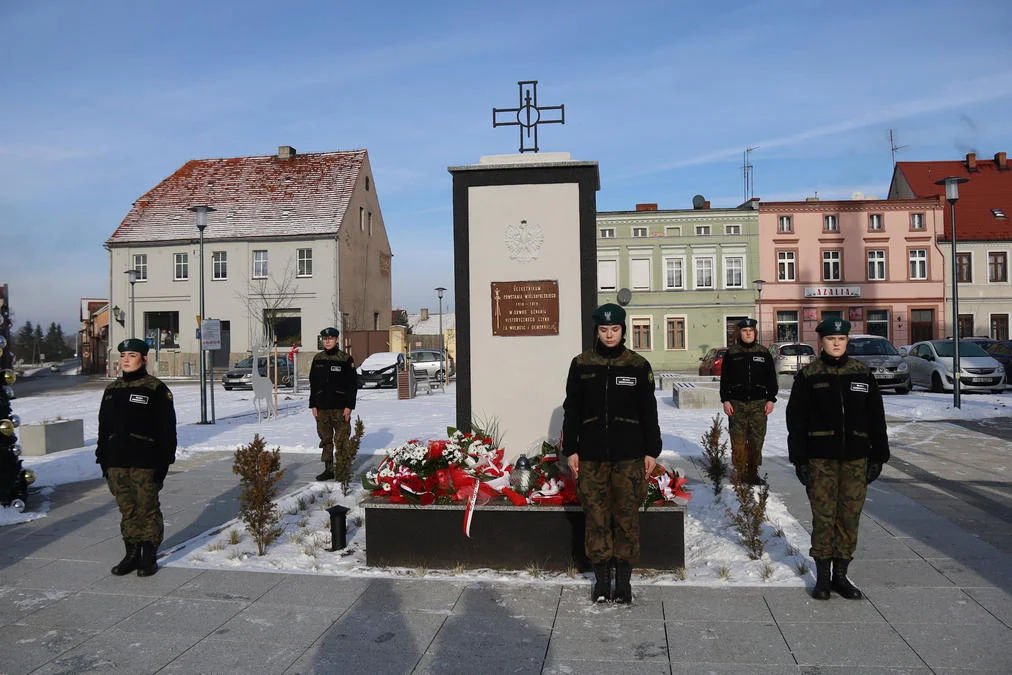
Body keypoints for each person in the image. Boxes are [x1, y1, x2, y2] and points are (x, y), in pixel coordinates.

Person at [562, 303, 661, 604]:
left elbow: (649, 411)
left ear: (623, 331)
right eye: (604, 330)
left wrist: (651, 450)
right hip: (591, 457)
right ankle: (602, 581)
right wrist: (571, 450)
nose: (609, 335)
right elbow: (572, 409)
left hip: (629, 456)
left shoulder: (637, 366)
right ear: (596, 331)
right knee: (596, 518)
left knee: (626, 518)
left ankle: (624, 582)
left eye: (614, 330)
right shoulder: (581, 364)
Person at [787, 318, 889, 600]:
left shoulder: (861, 373)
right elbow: (795, 421)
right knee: (823, 518)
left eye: (841, 339)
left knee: (849, 518)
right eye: (831, 339)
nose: (836, 343)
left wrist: (879, 455)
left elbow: (876, 417)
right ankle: (822, 578)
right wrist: (800, 460)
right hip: (821, 461)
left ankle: (841, 577)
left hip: (856, 460)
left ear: (847, 341)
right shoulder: (809, 375)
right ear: (821, 341)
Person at [96, 338, 177, 577]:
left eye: (132, 355)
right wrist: (103, 459)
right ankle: (131, 554)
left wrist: (164, 463)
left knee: (147, 508)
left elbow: (167, 430)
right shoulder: (112, 390)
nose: (126, 360)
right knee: (127, 509)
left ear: (144, 359)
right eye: (123, 356)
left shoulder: (155, 388)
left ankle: (148, 556)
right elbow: (103, 428)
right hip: (117, 461)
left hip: (146, 462)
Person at [719, 318, 778, 485]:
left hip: (759, 404)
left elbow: (771, 378)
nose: (748, 333)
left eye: (750, 331)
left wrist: (771, 399)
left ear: (755, 333)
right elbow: (725, 379)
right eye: (744, 331)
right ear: (740, 333)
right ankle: (740, 472)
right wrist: (725, 400)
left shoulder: (763, 353)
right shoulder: (732, 353)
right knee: (738, 440)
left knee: (756, 440)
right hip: (736, 404)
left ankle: (752, 474)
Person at [309, 327, 358, 481]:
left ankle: (343, 469)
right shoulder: (318, 359)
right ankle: (329, 469)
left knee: (342, 440)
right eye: (325, 339)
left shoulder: (345, 359)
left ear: (337, 340)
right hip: (322, 408)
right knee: (325, 439)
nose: (327, 341)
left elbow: (352, 385)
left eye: (331, 338)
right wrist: (313, 405)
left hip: (340, 408)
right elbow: (313, 384)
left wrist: (349, 406)